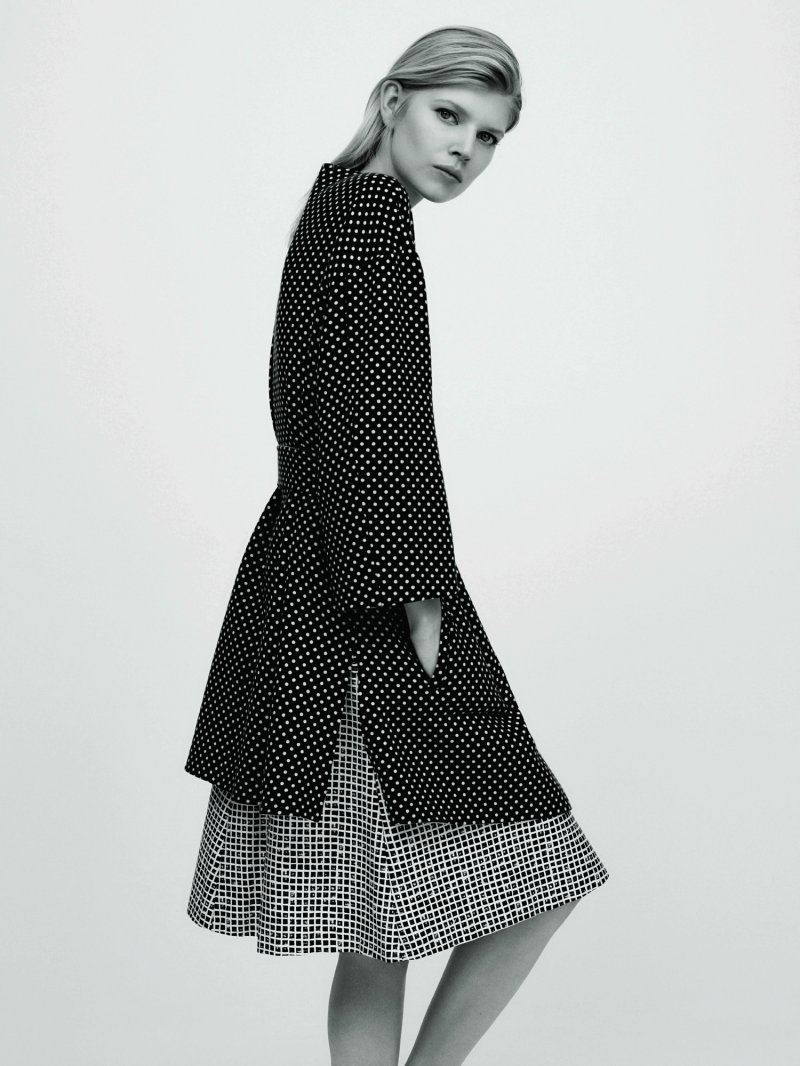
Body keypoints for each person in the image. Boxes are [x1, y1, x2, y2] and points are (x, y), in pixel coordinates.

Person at [183, 24, 610, 1066]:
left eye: (489, 136)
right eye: (449, 115)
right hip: (370, 591)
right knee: (534, 875)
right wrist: (418, 591)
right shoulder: (375, 223)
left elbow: (328, 413)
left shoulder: (334, 203)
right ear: (391, 101)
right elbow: (379, 419)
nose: (465, 148)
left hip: (308, 570)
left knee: (378, 920)